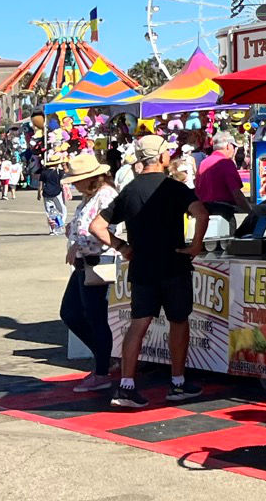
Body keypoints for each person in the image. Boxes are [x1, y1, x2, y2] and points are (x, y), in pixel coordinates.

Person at [90, 134, 208, 409]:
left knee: (138, 323)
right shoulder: (174, 188)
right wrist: (196, 246)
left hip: (142, 264)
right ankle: (177, 383)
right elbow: (201, 213)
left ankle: (127, 385)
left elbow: (97, 226)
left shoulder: (129, 190)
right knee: (179, 322)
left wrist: (122, 246)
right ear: (164, 158)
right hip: (174, 263)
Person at [60, 151, 121, 393]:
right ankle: (105, 360)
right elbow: (84, 228)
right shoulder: (91, 196)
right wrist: (74, 237)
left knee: (93, 317)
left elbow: (101, 231)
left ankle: (103, 368)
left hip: (98, 261)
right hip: (86, 262)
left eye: (77, 180)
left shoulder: (105, 196)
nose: (74, 184)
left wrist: (77, 242)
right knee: (72, 313)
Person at [195, 133, 250, 236]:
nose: (234, 150)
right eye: (234, 147)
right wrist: (250, 212)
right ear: (229, 146)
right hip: (223, 213)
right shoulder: (226, 163)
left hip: (204, 213)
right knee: (226, 247)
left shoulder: (204, 163)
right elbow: (236, 193)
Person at [39, 152, 68, 235]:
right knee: (62, 209)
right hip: (57, 193)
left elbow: (41, 184)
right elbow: (64, 180)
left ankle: (52, 229)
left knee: (49, 211)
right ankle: (60, 224)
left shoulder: (44, 172)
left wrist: (39, 193)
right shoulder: (59, 172)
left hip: (46, 193)